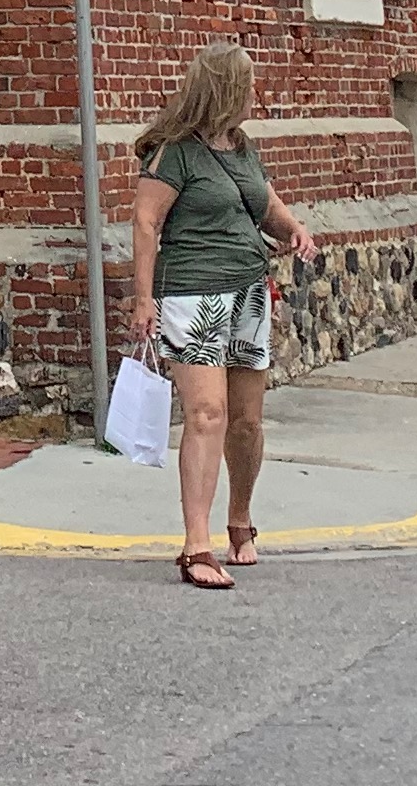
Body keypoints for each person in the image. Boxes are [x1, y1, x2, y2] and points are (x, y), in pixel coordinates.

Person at [123, 40, 322, 590]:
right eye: (249, 84)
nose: (255, 93)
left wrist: (294, 230)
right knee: (207, 413)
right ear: (227, 88)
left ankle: (241, 521)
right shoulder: (173, 153)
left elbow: (267, 205)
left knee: (248, 419)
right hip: (192, 294)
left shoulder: (241, 147)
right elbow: (144, 223)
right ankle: (196, 545)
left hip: (248, 293)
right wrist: (144, 300)